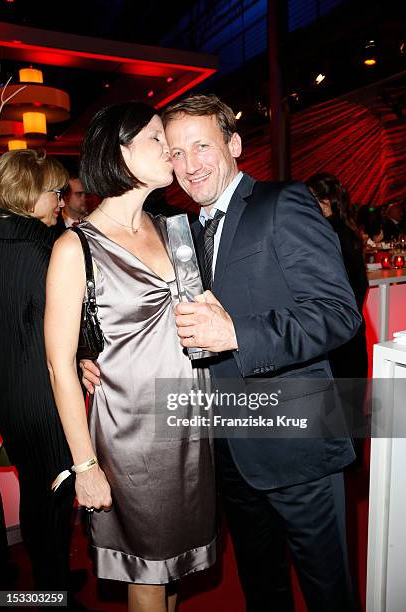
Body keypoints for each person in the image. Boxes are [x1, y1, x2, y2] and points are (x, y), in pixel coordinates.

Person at [82, 94, 362, 611]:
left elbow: (338, 313)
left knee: (329, 590)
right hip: (224, 451)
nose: (190, 165)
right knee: (262, 588)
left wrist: (240, 335)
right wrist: (93, 353)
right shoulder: (179, 232)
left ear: (233, 144)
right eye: (176, 152)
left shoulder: (284, 203)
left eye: (202, 146)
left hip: (296, 441)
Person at [44, 102, 216, 612]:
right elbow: (58, 364)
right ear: (119, 154)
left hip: (189, 425)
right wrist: (85, 465)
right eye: (157, 140)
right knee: (146, 567)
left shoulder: (174, 229)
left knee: (176, 565)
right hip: (130, 433)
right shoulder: (75, 248)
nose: (171, 151)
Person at [0, 150, 78, 600]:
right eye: (54, 193)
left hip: (7, 393)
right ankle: (54, 592)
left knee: (33, 488)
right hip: (46, 393)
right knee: (57, 495)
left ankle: (51, 585)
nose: (59, 203)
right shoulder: (48, 246)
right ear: (30, 194)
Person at [306, 172, 368, 379]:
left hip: (335, 339)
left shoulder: (324, 233)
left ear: (323, 202)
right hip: (353, 334)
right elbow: (360, 284)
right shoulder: (349, 231)